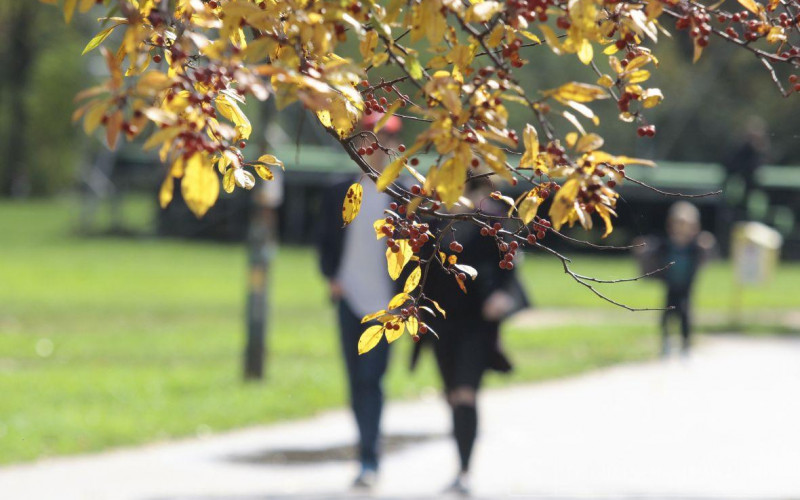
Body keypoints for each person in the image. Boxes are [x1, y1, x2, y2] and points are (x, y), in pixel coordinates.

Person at [412, 177, 528, 496]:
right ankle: (462, 458)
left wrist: (502, 296)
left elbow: (509, 262)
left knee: (465, 393)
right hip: (441, 322)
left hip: (477, 324)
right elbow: (419, 268)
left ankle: (464, 471)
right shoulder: (432, 220)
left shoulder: (490, 220)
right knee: (452, 395)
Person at [316, 114, 402, 489]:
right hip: (350, 301)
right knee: (355, 382)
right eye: (372, 139)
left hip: (387, 307)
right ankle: (365, 453)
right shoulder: (340, 191)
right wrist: (333, 278)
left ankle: (370, 459)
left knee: (373, 380)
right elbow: (324, 239)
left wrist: (407, 299)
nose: (378, 147)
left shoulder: (405, 196)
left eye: (386, 139)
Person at [635, 201, 715, 356]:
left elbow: (708, 256)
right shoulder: (666, 244)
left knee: (685, 314)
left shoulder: (695, 246)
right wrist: (642, 248)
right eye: (678, 224)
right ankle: (666, 343)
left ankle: (685, 345)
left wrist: (708, 244)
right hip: (670, 284)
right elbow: (651, 249)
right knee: (666, 314)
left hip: (686, 285)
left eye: (686, 224)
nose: (681, 228)